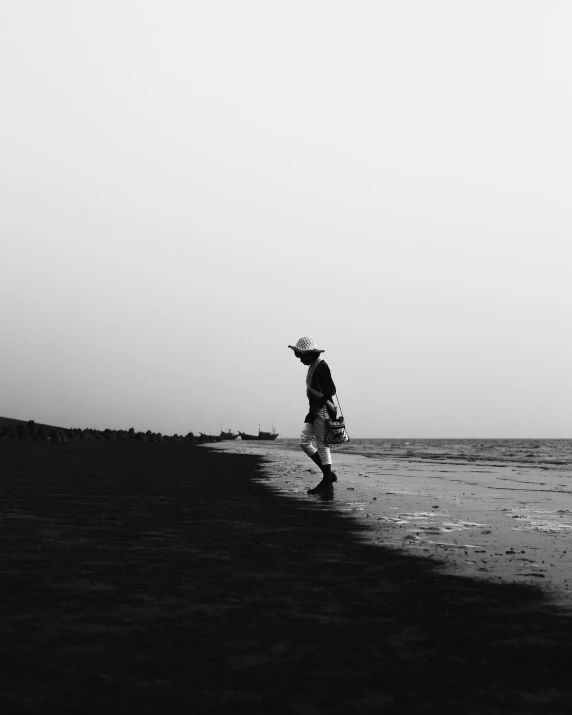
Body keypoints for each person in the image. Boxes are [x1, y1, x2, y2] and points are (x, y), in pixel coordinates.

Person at [288, 336, 338, 494]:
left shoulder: (321, 366)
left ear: (308, 354)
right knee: (305, 443)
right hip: (314, 411)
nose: (300, 360)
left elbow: (331, 390)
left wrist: (322, 402)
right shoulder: (314, 365)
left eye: (300, 356)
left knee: (322, 446)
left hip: (321, 411)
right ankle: (328, 475)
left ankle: (327, 482)